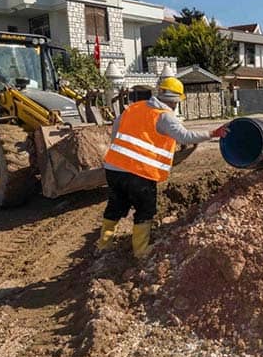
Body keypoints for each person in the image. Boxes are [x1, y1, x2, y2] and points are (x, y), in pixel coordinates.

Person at [97, 76, 228, 259]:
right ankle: (141, 251)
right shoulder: (164, 115)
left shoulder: (134, 108)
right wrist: (213, 133)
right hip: (139, 173)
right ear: (175, 100)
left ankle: (104, 245)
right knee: (145, 209)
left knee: (115, 204)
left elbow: (116, 129)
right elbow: (185, 137)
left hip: (113, 168)